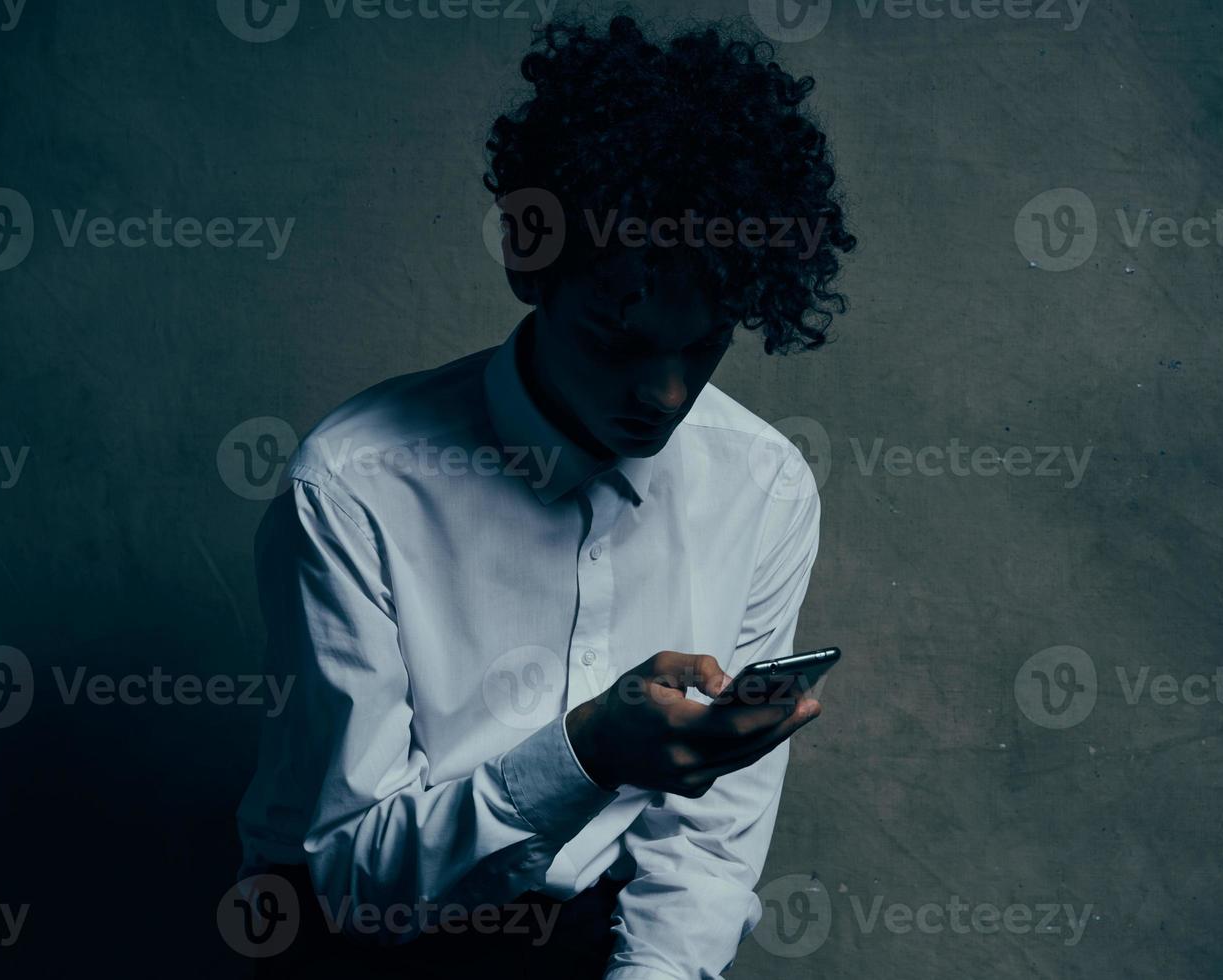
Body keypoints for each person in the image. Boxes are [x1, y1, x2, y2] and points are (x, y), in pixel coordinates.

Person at [234, 12, 856, 978]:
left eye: (702, 346)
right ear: (534, 264)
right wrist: (589, 752)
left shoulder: (763, 486)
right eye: (620, 340)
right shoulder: (354, 489)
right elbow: (354, 885)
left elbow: (703, 849)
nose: (665, 395)